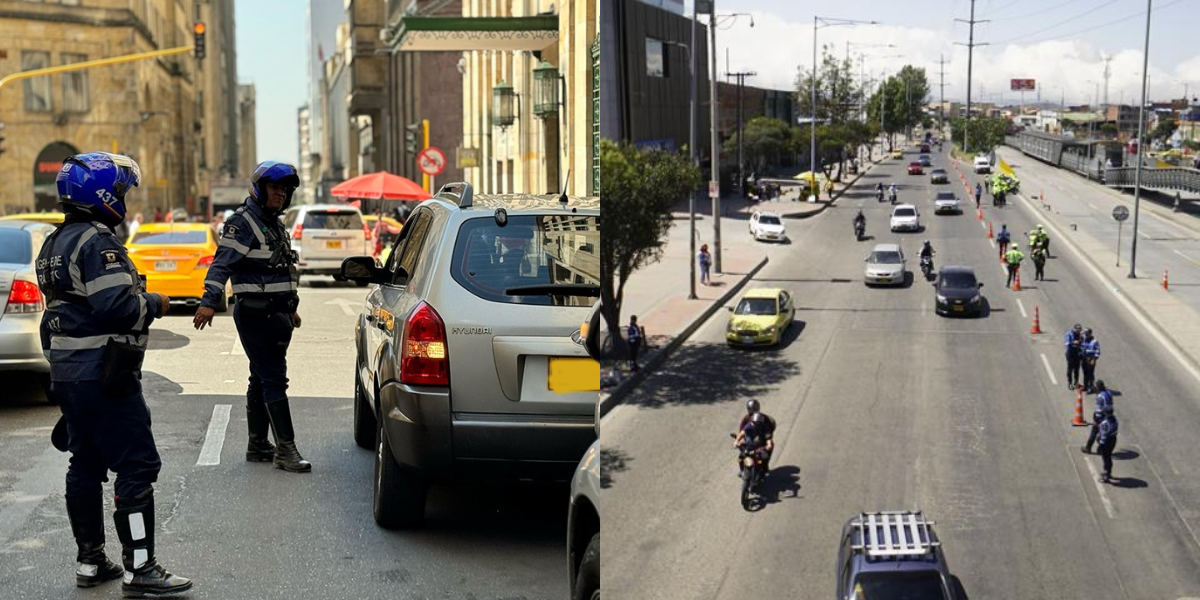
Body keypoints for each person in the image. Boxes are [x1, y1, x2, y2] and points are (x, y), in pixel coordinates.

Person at [35, 152, 192, 596]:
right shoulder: (95, 242)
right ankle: (141, 569)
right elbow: (116, 307)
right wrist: (156, 303)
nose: (123, 199)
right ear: (101, 194)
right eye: (120, 191)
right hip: (104, 374)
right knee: (137, 463)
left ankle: (90, 561)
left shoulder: (53, 243)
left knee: (84, 462)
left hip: (68, 374)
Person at [193, 161, 311, 473]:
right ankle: (286, 449)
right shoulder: (243, 223)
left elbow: (282, 270)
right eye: (274, 187)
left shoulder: (274, 223)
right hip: (257, 315)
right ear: (259, 189)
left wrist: (292, 308)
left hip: (278, 313)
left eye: (284, 189)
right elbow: (221, 264)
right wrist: (208, 302)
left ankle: (258, 444)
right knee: (274, 378)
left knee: (260, 376)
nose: (280, 194)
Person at [734, 410, 776, 476]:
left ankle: (764, 468)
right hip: (750, 445)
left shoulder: (765, 428)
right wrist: (737, 441)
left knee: (764, 457)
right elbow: (742, 433)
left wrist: (769, 444)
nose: (754, 424)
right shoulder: (749, 425)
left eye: (756, 423)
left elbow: (768, 438)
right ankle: (742, 470)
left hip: (760, 446)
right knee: (741, 457)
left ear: (760, 423)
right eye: (753, 422)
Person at [1083, 380, 1114, 454]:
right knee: (1104, 433)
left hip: (1101, 417)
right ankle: (1100, 449)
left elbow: (1099, 411)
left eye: (1096, 387)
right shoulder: (1109, 393)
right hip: (1108, 415)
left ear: (1098, 388)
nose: (1095, 389)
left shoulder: (1100, 396)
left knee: (1094, 432)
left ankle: (1088, 448)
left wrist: (1096, 420)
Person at [1095, 406, 1118, 483]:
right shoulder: (1114, 419)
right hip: (1113, 439)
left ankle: (1106, 476)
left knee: (1106, 458)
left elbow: (1103, 435)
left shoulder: (1105, 423)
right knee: (1108, 457)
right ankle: (1108, 472)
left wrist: (1100, 445)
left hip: (1106, 442)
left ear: (1106, 413)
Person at [1065, 324, 1084, 391]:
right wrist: (1074, 342)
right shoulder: (1069, 334)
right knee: (1070, 370)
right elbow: (1067, 343)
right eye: (1077, 329)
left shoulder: (1081, 335)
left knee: (1077, 369)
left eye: (1080, 329)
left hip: (1077, 354)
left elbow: (1083, 344)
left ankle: (1076, 383)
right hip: (1070, 354)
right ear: (1074, 329)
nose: (1079, 331)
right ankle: (1070, 383)